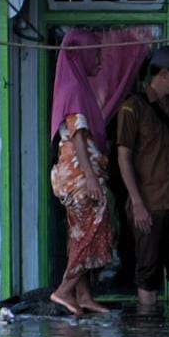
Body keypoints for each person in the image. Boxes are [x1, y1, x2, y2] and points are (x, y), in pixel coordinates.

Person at [115, 44, 169, 312]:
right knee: (148, 272)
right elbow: (123, 157)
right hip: (149, 205)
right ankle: (148, 331)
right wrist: (137, 202)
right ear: (164, 73)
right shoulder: (133, 108)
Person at [47, 29, 115, 317]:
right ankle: (64, 290)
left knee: (80, 234)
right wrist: (90, 179)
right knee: (93, 230)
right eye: (94, 54)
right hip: (78, 178)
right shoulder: (74, 90)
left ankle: (84, 296)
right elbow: (77, 137)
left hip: (74, 177)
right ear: (80, 55)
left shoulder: (76, 87)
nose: (99, 61)